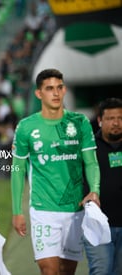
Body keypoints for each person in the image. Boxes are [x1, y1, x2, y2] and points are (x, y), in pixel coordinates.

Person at [10, 68, 100, 274]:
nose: (56, 93)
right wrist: (17, 211)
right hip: (43, 209)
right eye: (49, 89)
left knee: (67, 271)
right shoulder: (26, 126)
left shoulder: (80, 122)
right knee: (49, 270)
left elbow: (91, 162)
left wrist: (94, 190)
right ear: (39, 93)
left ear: (65, 89)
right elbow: (17, 169)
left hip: (75, 209)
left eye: (59, 88)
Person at [83, 97, 122, 275]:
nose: (116, 123)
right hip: (97, 225)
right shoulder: (88, 148)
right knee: (102, 271)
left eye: (120, 118)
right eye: (110, 118)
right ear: (100, 121)